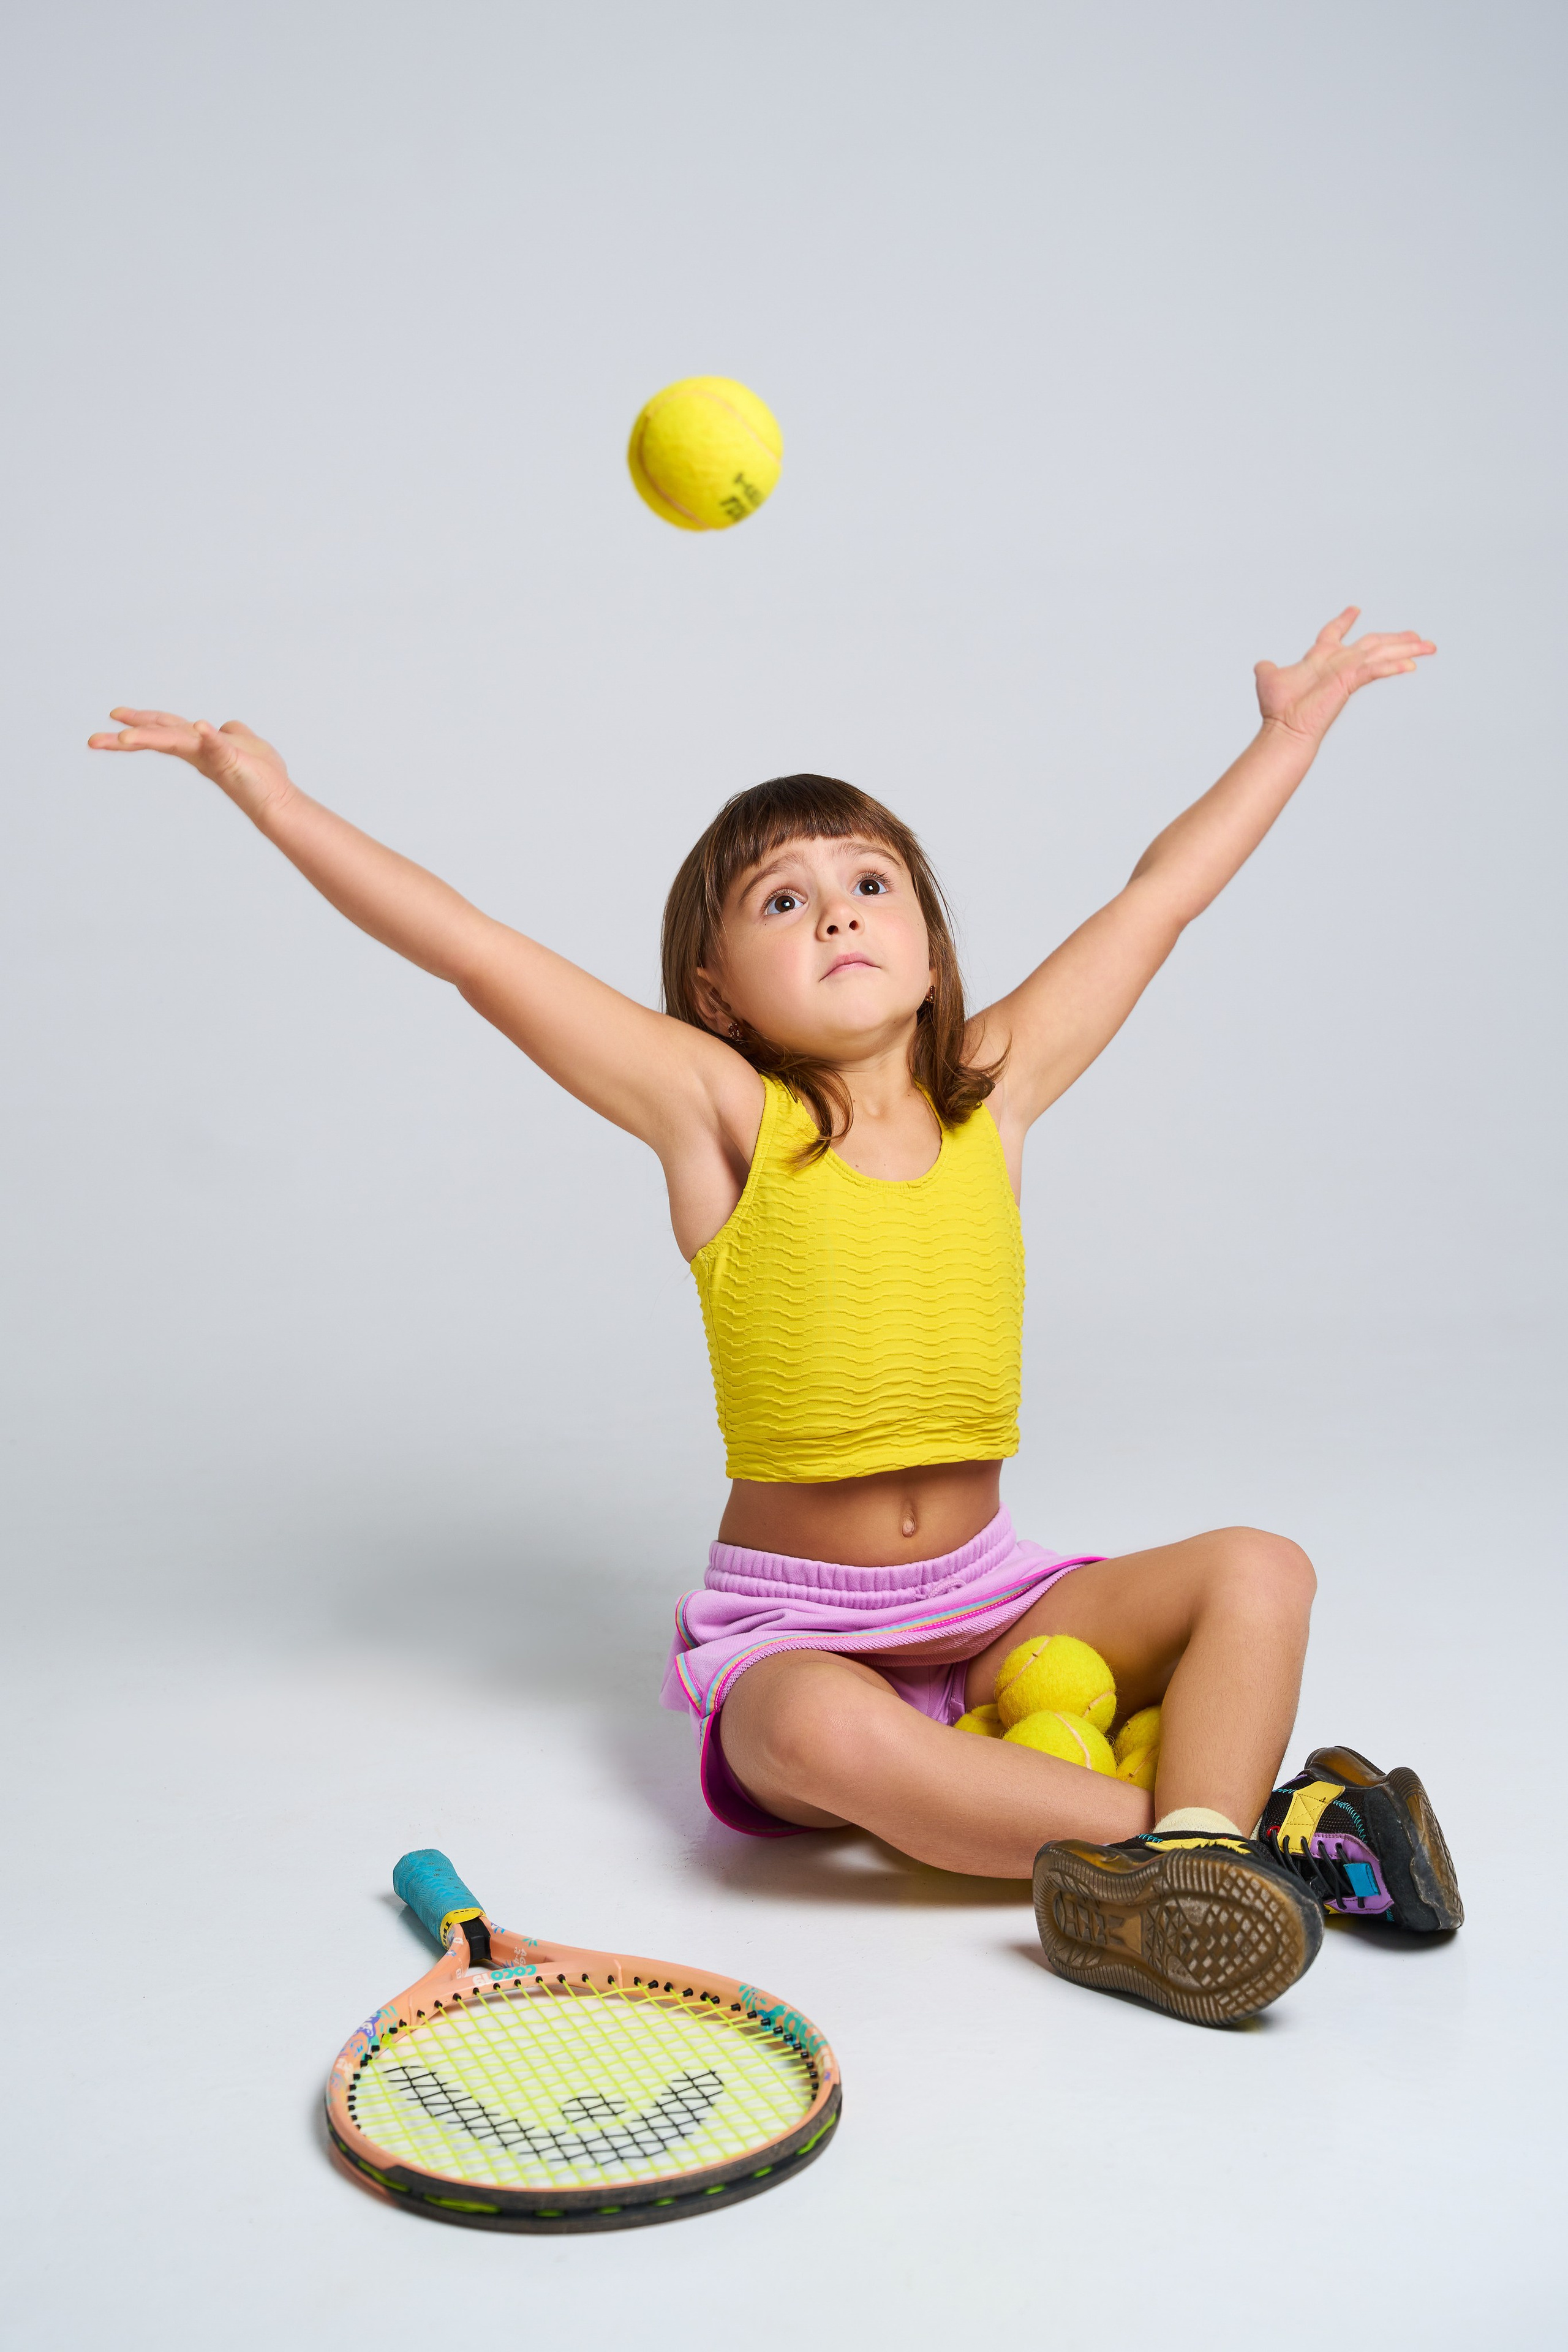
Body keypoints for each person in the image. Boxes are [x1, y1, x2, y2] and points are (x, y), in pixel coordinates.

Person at [90, 606, 1462, 2025]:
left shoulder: (991, 1090)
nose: (836, 914)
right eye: (780, 903)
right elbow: (473, 952)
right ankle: (1243, 1847)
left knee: (1260, 1566)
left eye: (868, 884)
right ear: (714, 998)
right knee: (809, 1731)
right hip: (800, 1630)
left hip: (999, 1609)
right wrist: (274, 799)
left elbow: (1156, 896)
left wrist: (1286, 736)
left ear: (930, 952)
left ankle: (1192, 1857)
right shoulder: (723, 1116)